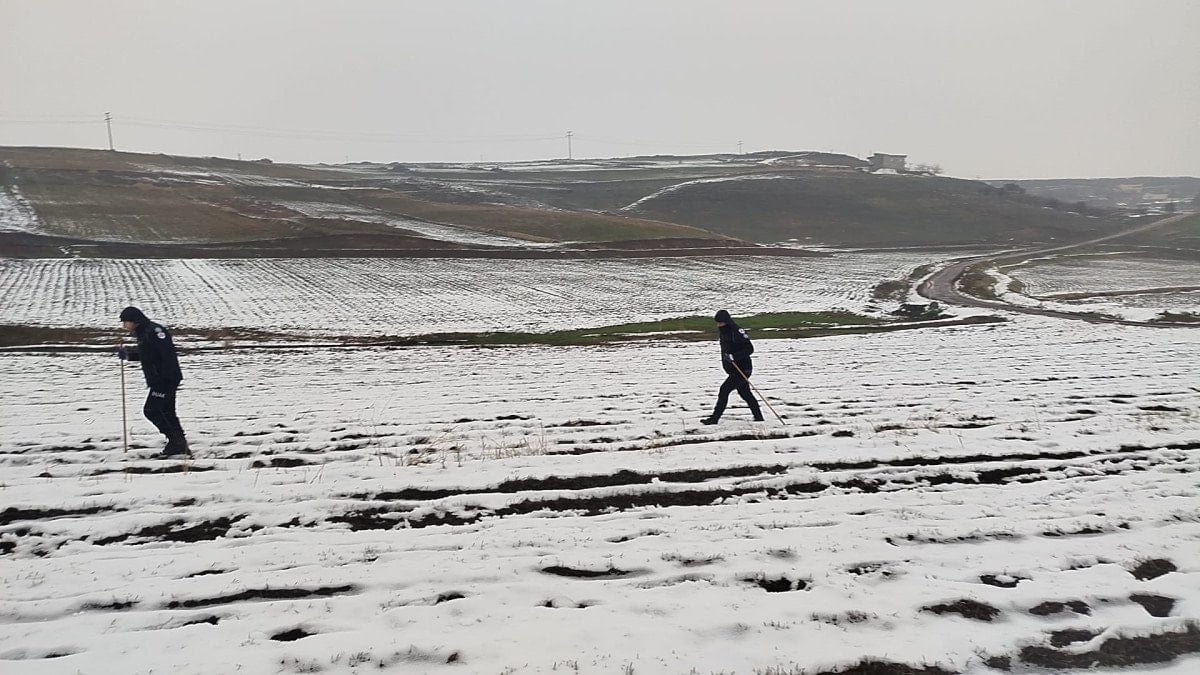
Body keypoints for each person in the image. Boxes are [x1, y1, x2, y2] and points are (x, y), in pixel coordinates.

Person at [118, 306, 189, 457]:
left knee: (151, 410)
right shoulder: (144, 333)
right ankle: (178, 443)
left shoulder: (155, 332)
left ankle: (176, 441)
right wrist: (128, 356)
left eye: (125, 322)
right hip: (162, 379)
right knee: (167, 411)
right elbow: (148, 355)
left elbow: (167, 355)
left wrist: (162, 379)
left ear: (134, 321)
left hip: (165, 379)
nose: (124, 326)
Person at [701, 309, 763, 425]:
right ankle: (759, 417)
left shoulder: (736, 332)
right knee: (745, 393)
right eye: (717, 323)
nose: (718, 325)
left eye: (720, 323)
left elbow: (749, 349)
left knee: (724, 390)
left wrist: (734, 356)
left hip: (742, 369)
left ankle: (714, 419)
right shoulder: (724, 331)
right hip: (734, 369)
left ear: (726, 321)